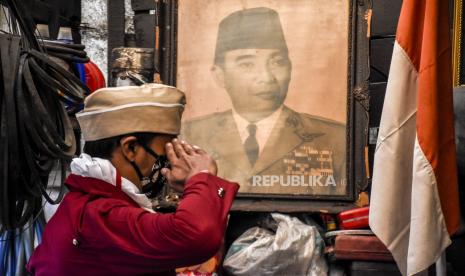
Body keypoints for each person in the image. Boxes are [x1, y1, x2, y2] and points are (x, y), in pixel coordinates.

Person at [27, 84, 239, 275]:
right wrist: (202, 177)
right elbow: (195, 237)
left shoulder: (88, 201)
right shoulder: (99, 214)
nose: (169, 163)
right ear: (131, 148)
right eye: (165, 153)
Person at [182, 7, 346, 195]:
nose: (266, 77)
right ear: (219, 75)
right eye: (247, 64)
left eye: (276, 62)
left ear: (290, 68)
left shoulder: (335, 139)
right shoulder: (190, 137)